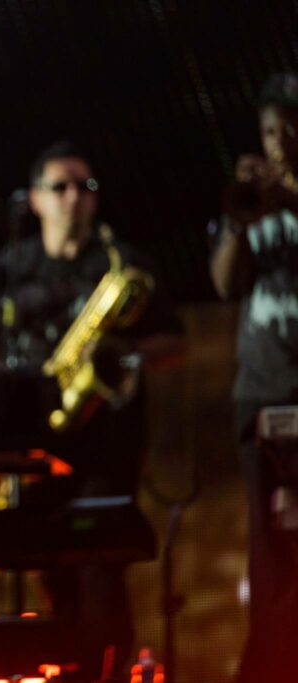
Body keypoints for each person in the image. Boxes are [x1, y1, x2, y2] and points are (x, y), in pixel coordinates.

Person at [0, 140, 183, 681]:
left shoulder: (123, 263)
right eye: (60, 186)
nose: (74, 196)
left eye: (85, 186)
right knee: (49, 568)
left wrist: (120, 353)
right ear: (35, 199)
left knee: (101, 568)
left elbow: (175, 341)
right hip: (35, 446)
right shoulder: (9, 269)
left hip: (108, 442)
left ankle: (105, 670)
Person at [210, 72, 298, 683]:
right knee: (267, 539)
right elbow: (223, 284)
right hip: (262, 391)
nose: (280, 142)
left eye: (291, 129)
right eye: (271, 131)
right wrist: (240, 219)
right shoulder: (255, 201)